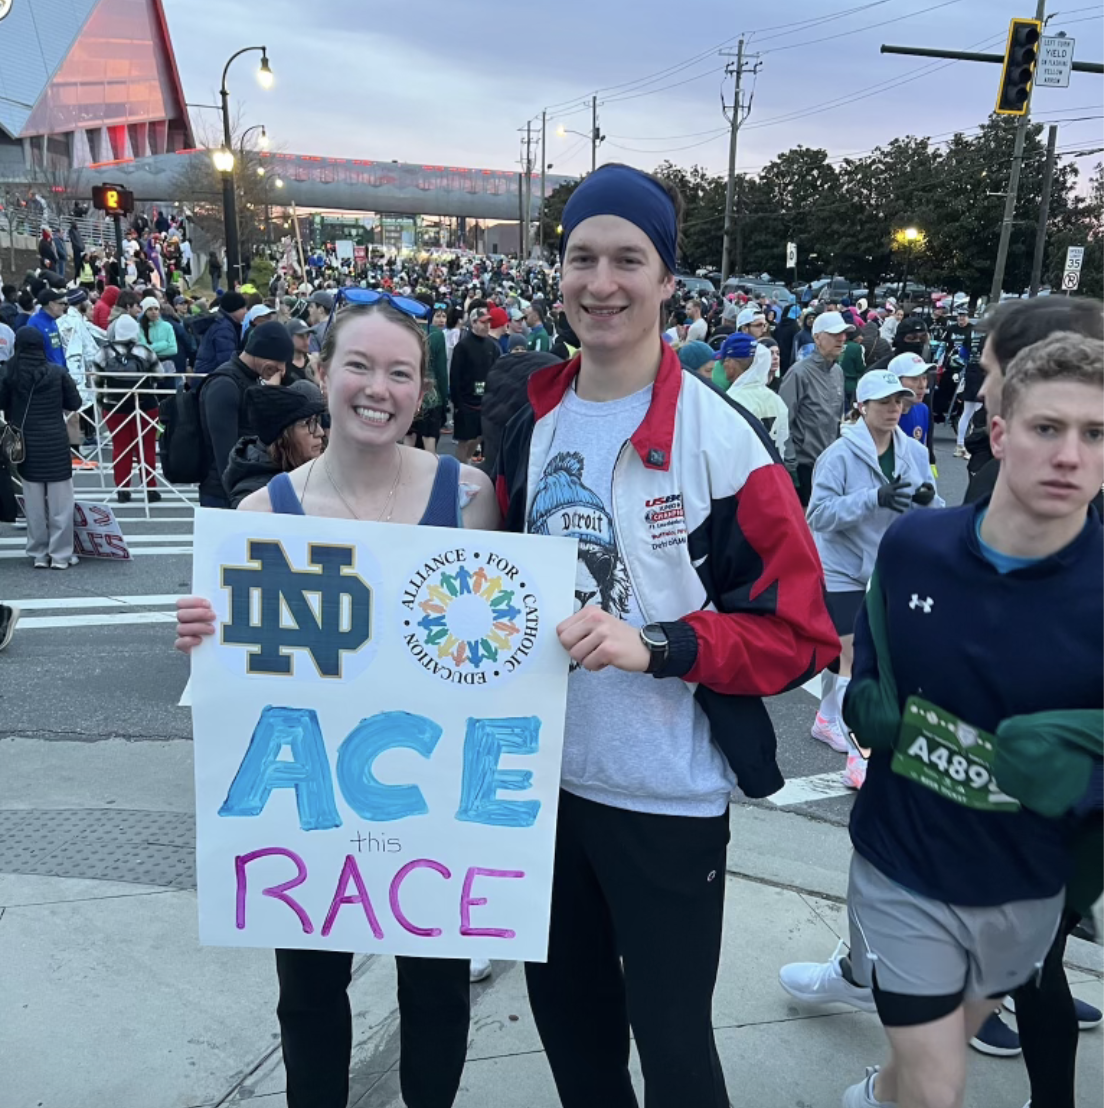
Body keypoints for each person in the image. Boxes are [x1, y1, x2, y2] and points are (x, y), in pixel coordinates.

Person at [493, 162, 838, 1108]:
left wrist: (665, 646)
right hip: (539, 787)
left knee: (675, 1046)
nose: (601, 282)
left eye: (628, 260)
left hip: (666, 799)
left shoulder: (721, 439)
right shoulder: (532, 413)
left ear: (667, 280)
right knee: (571, 1029)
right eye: (581, 257)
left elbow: (801, 633)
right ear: (557, 272)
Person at [175, 295, 498, 1108]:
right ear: (321, 372)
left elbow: (497, 641)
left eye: (400, 372)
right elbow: (236, 673)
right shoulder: (262, 517)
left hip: (427, 800)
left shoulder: (469, 500)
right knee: (310, 997)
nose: (376, 388)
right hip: (311, 811)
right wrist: (204, 632)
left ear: (423, 389)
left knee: (436, 994)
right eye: (358, 365)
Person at [830, 331, 1103, 1108]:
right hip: (900, 866)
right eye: (1049, 428)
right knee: (940, 1087)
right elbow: (875, 652)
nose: (1070, 455)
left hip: (1024, 888)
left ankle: (876, 1097)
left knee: (921, 1074)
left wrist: (1079, 778)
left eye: (1096, 435)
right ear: (999, 430)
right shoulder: (917, 545)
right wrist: (866, 698)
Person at [805, 370, 942, 787]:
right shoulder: (838, 455)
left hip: (887, 566)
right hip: (841, 567)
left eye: (899, 401)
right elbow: (818, 515)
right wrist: (873, 498)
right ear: (862, 406)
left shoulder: (914, 452)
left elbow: (933, 503)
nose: (894, 409)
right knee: (856, 655)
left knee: (849, 655)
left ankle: (827, 719)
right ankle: (859, 757)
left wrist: (926, 503)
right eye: (884, 402)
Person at [0, 327, 81, 568]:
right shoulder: (57, 372)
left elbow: (2, 403)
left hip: (25, 444)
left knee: (33, 503)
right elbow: (74, 402)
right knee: (60, 505)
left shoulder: (9, 373)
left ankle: (38, 553)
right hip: (55, 442)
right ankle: (60, 555)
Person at [198, 321, 294, 509]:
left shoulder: (250, 380)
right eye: (279, 363)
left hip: (245, 489)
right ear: (264, 357)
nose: (282, 370)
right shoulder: (225, 385)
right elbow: (225, 454)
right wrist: (238, 502)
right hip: (223, 495)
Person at [779, 310, 852, 507]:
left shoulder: (837, 371)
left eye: (844, 334)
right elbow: (783, 421)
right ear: (817, 338)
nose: (842, 339)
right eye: (835, 334)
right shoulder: (799, 373)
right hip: (804, 465)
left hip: (831, 463)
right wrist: (791, 464)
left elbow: (838, 416)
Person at [93, 314, 163, 503]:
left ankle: (123, 489)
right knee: (146, 447)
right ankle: (150, 488)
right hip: (145, 405)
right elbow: (159, 375)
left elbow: (97, 382)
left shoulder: (103, 353)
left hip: (115, 406)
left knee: (120, 447)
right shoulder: (145, 351)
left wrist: (102, 403)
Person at [223, 381, 327, 508]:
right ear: (283, 436)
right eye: (307, 423)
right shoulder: (252, 495)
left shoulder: (300, 468)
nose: (320, 432)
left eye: (317, 421)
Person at [720, 334, 790, 458]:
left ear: (732, 363)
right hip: (773, 470)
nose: (722, 365)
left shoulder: (732, 400)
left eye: (724, 360)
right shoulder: (775, 399)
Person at [450, 306, 498, 464]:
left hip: (485, 401)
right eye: (483, 323)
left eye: (489, 323)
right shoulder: (462, 347)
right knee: (465, 440)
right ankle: (460, 470)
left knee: (479, 436)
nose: (487, 326)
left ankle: (468, 462)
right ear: (473, 323)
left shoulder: (492, 346)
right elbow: (455, 376)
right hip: (466, 401)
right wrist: (457, 403)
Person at [194, 291, 247, 375]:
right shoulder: (223, 328)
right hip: (211, 377)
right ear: (233, 309)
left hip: (208, 375)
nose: (245, 311)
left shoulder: (222, 322)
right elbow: (226, 360)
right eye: (242, 308)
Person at [27, 289, 67, 366]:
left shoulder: (53, 322)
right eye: (61, 303)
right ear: (52, 304)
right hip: (46, 374)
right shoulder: (34, 323)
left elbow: (58, 350)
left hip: (59, 372)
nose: (64, 306)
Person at [139, 296, 178, 370]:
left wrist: (151, 350)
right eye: (150, 309)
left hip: (167, 366)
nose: (154, 312)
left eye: (156, 309)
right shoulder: (140, 328)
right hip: (149, 367)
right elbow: (143, 350)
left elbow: (173, 349)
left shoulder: (167, 326)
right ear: (145, 312)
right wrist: (164, 344)